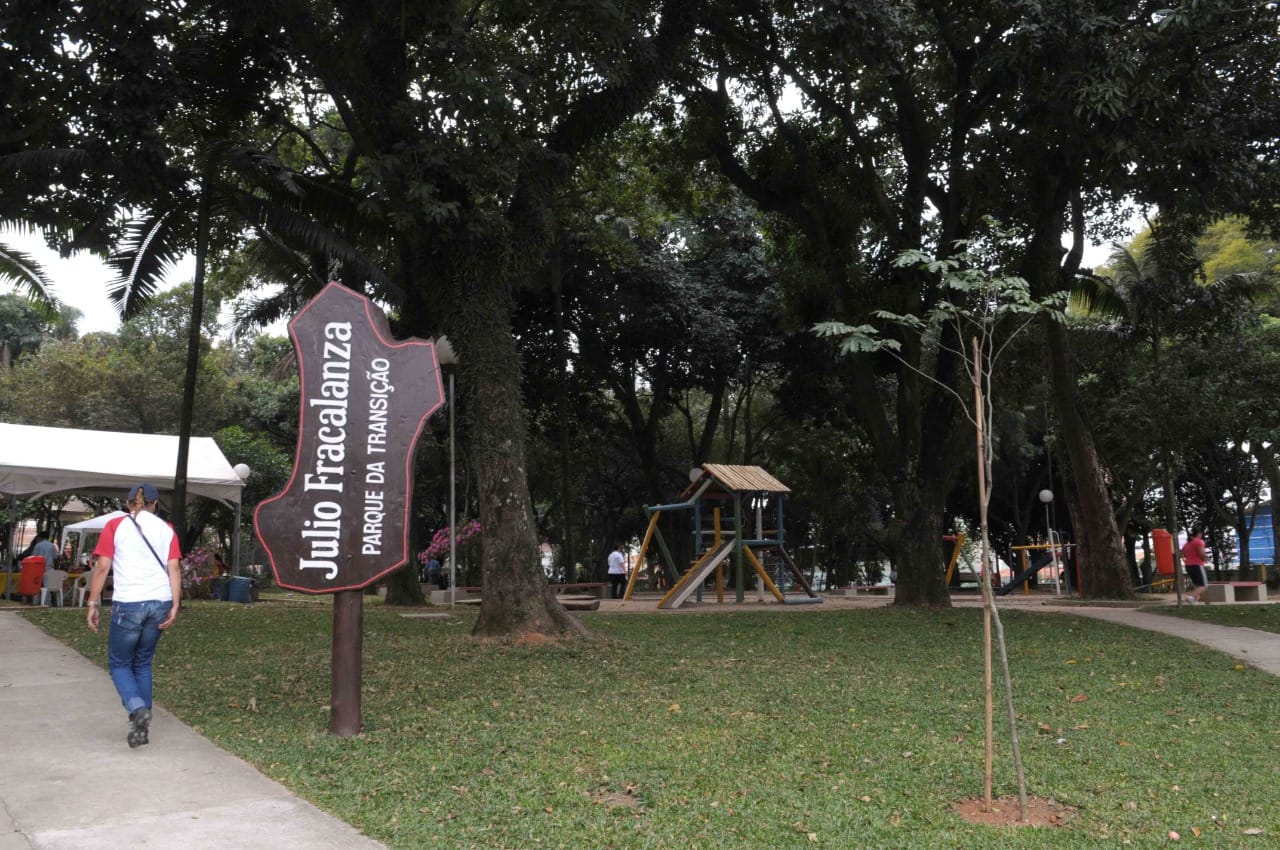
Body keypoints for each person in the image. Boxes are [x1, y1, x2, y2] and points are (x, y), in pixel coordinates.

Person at [86, 483, 182, 748]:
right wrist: (175, 604)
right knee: (143, 663)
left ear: (129, 503)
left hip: (128, 602)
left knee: (119, 664)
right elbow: (174, 568)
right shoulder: (167, 529)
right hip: (160, 601)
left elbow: (102, 567)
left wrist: (93, 603)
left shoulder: (115, 526)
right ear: (155, 504)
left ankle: (137, 708)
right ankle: (142, 726)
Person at [1181, 528, 1209, 603]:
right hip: (1197, 565)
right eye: (1201, 534)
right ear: (1199, 533)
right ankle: (1191, 597)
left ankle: (1195, 601)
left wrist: (1187, 560)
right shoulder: (1199, 541)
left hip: (1188, 566)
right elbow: (1201, 553)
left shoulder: (1187, 543)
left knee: (1197, 584)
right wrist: (1205, 559)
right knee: (1204, 585)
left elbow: (1183, 554)